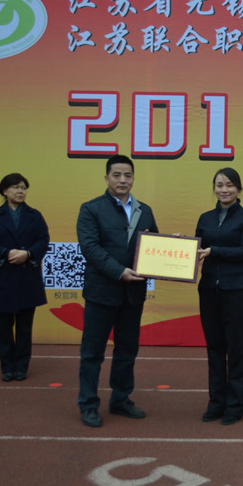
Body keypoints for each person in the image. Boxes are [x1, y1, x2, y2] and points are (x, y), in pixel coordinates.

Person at [76, 155, 158, 427]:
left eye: (128, 175)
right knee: (92, 353)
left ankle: (121, 399)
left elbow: (154, 246)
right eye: (117, 175)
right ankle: (88, 403)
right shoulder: (91, 209)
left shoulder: (145, 210)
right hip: (102, 292)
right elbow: (90, 248)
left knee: (127, 350)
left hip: (133, 294)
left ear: (133, 178)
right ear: (107, 178)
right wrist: (119, 271)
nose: (123, 180)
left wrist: (174, 247)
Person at [195, 168, 243, 425]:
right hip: (209, 290)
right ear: (214, 188)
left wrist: (213, 251)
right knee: (214, 349)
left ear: (238, 188)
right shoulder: (205, 218)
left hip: (237, 291)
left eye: (230, 185)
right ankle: (216, 402)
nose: (224, 190)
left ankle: (235, 406)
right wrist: (179, 244)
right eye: (219, 185)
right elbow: (196, 249)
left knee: (237, 350)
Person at [0, 173, 50, 382]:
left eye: (24, 188)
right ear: (4, 191)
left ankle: (22, 366)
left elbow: (43, 240)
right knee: (4, 327)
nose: (21, 191)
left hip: (27, 277)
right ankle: (7, 367)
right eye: (16, 187)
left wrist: (28, 254)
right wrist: (5, 253)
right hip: (3, 278)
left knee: (25, 328)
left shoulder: (35, 216)